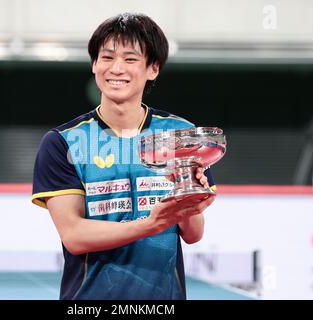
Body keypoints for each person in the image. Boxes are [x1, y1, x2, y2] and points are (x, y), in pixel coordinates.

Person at [32, 13, 216, 300]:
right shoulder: (62, 142)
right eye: (107, 58)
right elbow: (74, 235)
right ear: (95, 64)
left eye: (130, 59)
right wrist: (150, 225)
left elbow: (193, 234)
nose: (116, 68)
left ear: (152, 68)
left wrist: (190, 199)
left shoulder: (181, 134)